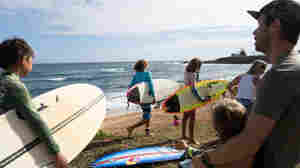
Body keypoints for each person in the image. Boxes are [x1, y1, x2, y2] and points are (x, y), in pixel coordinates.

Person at [191, 0, 300, 168]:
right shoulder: (293, 68)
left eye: (259, 24)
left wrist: (203, 160)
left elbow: (248, 143)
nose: (254, 32)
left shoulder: (280, 75)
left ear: (275, 25)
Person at [0, 38, 68, 168]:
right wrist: (56, 153)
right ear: (23, 59)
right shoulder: (14, 85)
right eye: (31, 59)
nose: (32, 63)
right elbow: (35, 120)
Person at [175, 98, 252, 168]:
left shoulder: (222, 152)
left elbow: (199, 157)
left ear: (217, 126)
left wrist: (186, 148)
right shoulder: (247, 144)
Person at [126, 59, 156, 136]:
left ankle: (147, 132)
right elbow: (151, 86)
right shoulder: (147, 74)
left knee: (147, 114)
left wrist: (130, 96)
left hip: (140, 98)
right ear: (144, 66)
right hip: (146, 97)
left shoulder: (136, 75)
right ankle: (131, 128)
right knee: (146, 116)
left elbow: (131, 86)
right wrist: (154, 96)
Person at [181, 58, 203, 145]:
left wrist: (197, 75)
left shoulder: (186, 72)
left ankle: (183, 135)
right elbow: (193, 89)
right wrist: (200, 98)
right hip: (191, 97)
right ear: (196, 66)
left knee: (185, 117)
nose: (199, 68)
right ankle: (192, 139)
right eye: (199, 66)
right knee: (192, 118)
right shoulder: (193, 74)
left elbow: (188, 84)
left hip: (185, 95)